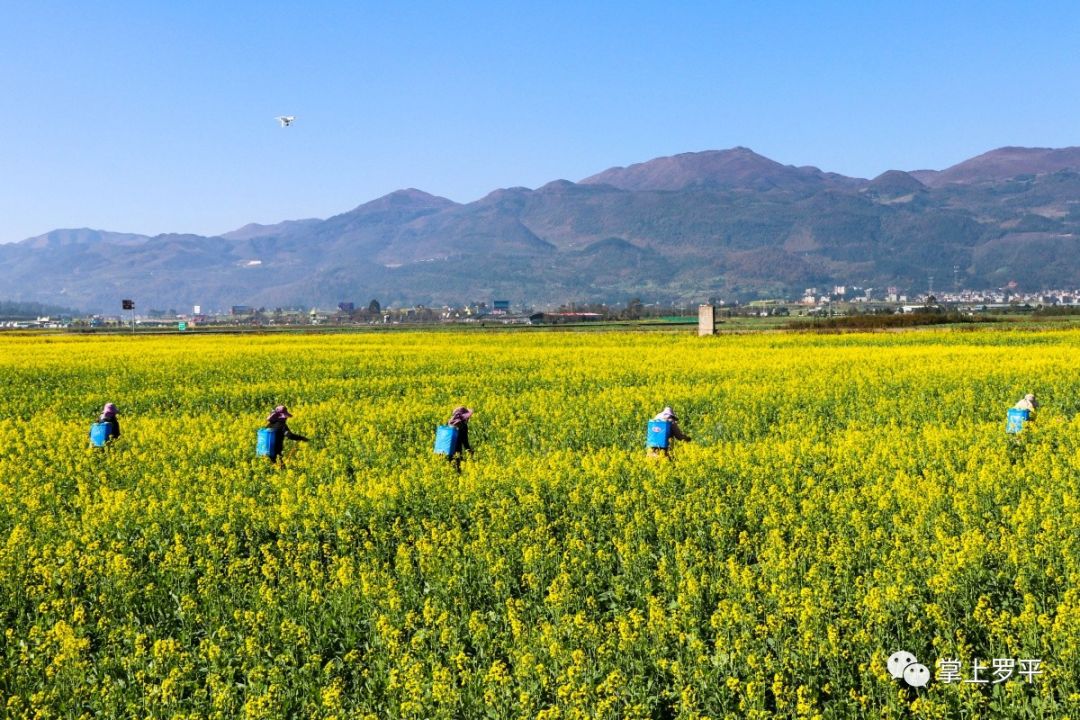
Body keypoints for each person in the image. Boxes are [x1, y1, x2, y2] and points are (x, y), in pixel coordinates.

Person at [447, 406, 474, 471]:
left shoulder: (449, 423)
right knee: (457, 471)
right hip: (457, 454)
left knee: (449, 471)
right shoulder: (463, 426)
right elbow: (465, 443)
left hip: (445, 453)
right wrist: (471, 453)